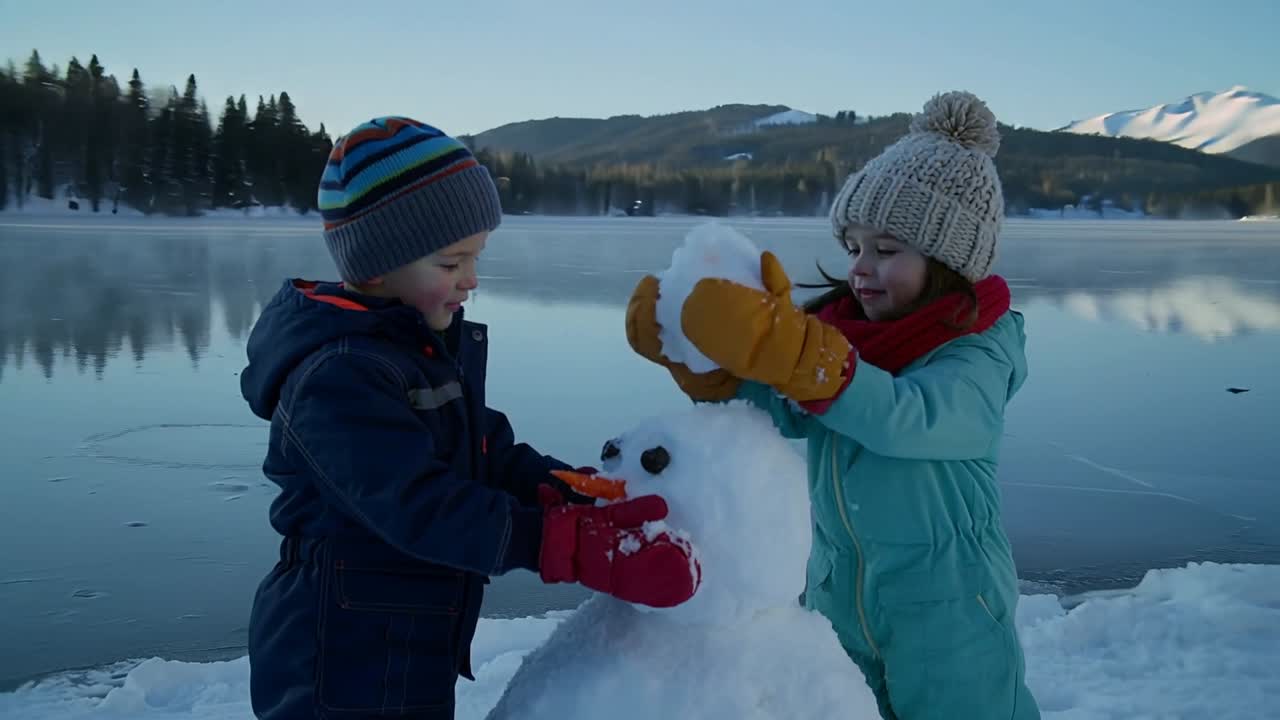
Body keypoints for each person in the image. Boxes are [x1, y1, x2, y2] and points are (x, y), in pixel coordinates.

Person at [240, 116, 700, 720]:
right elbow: (419, 506)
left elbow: (482, 451)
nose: (472, 281)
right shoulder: (338, 377)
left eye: (475, 258)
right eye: (453, 263)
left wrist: (565, 491)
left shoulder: (414, 350)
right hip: (337, 659)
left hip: (404, 644)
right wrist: (559, 545)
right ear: (381, 263)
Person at [627, 92, 1041, 720]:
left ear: (951, 260)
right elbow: (788, 407)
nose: (861, 270)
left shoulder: (977, 356)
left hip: (953, 614)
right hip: (840, 601)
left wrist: (799, 355)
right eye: (853, 247)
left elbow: (908, 417)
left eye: (887, 249)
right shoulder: (848, 341)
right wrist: (704, 368)